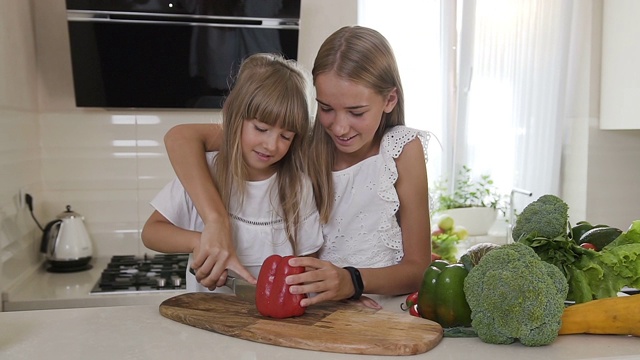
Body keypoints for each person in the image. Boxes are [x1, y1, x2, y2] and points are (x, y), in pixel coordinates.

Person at [163, 26, 432, 306]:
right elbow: (180, 137)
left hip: (384, 314)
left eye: (356, 112)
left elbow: (418, 269)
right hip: (321, 313)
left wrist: (352, 282)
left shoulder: (401, 149)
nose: (339, 127)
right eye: (326, 108)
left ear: (389, 99)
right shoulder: (298, 140)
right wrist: (216, 222)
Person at [141, 53, 323, 292]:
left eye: (285, 136)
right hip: (207, 318)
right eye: (261, 128)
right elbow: (151, 232)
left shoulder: (299, 186)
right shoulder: (205, 171)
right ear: (234, 116)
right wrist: (200, 241)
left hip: (275, 324)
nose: (271, 145)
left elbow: (309, 260)